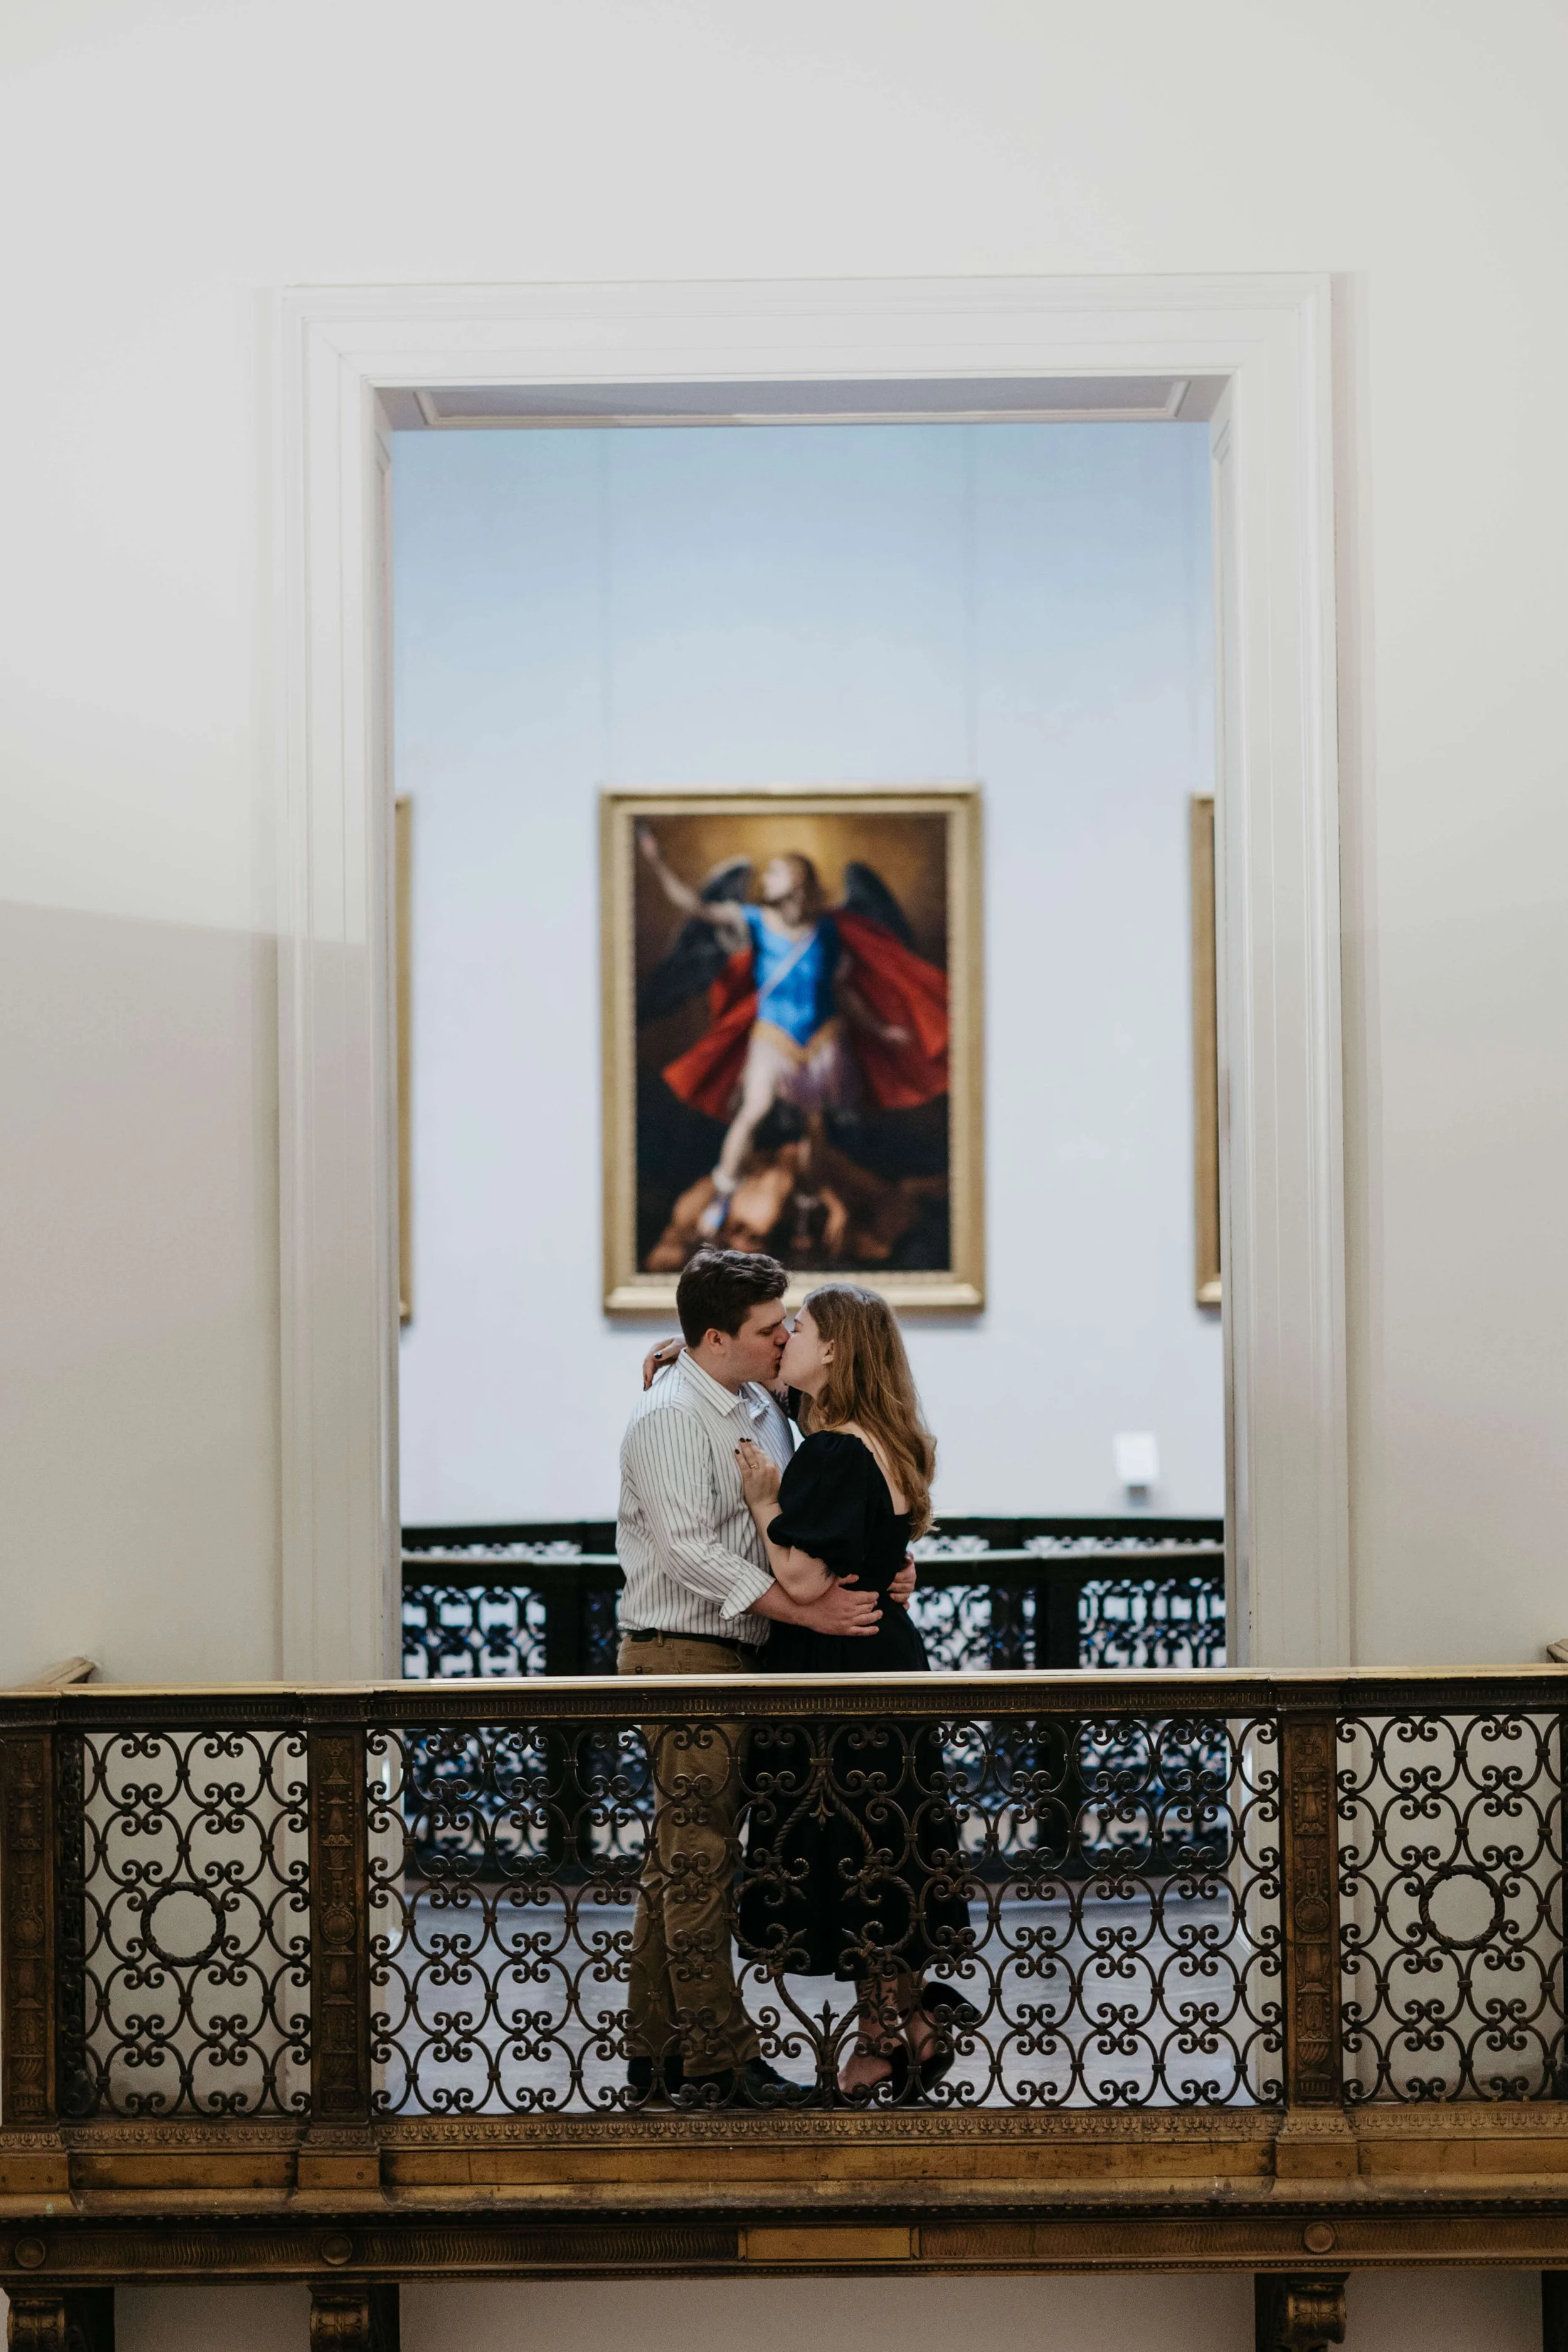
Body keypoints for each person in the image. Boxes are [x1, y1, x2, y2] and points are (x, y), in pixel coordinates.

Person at [616, 1247, 913, 2110]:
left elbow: (826, 1506)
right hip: (685, 1651)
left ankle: (655, 2053)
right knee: (701, 1860)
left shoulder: (758, 1399)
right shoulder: (670, 1417)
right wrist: (805, 1610)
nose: (786, 1334)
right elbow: (689, 1551)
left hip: (744, 1652)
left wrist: (886, 1564)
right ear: (717, 1336)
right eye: (768, 1326)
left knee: (678, 1860)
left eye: (790, 1321)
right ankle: (718, 2057)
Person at [733, 1283, 973, 2103]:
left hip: (844, 1681)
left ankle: (880, 2042)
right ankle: (912, 2025)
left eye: (797, 1327)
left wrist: (766, 1500)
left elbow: (801, 1575)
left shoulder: (834, 1451)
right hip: (886, 1664)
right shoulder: (876, 1439)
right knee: (886, 1849)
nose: (785, 1337)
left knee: (858, 1853)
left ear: (832, 1349)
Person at [635, 829, 947, 1243]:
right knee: (755, 1110)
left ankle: (806, 1211)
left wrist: (880, 1029)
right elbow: (695, 907)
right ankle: (723, 1200)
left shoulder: (829, 931)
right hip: (772, 1036)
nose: (767, 880)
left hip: (824, 1040)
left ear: (798, 881)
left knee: (814, 1127)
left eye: (777, 873)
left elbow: (842, 991)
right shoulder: (755, 921)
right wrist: (657, 863)